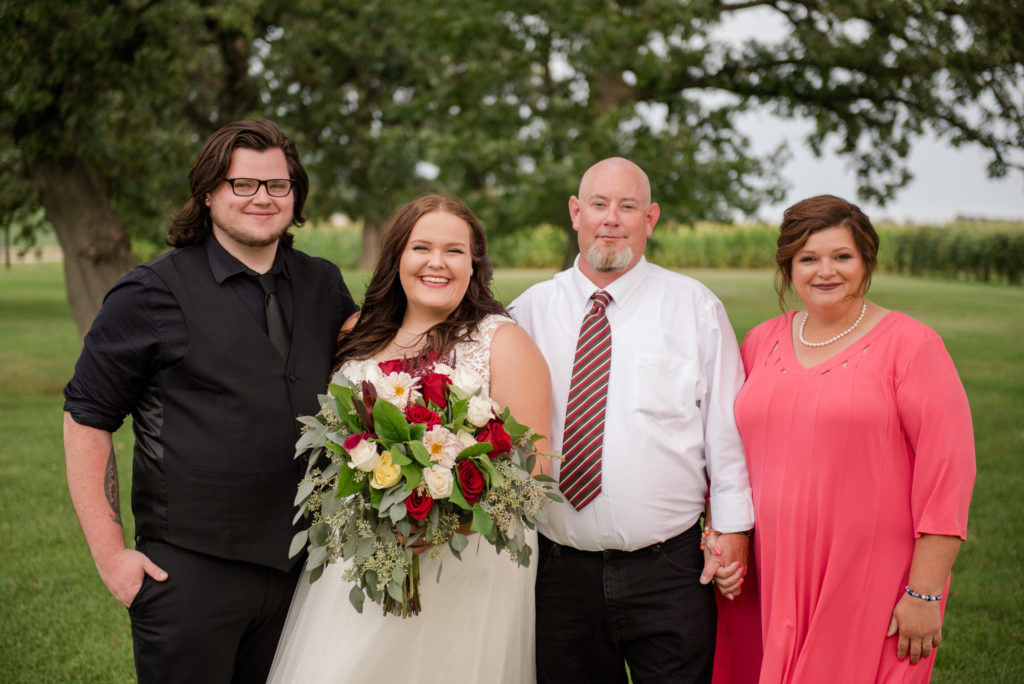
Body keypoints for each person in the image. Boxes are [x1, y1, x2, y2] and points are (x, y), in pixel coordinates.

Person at [63, 119, 359, 682]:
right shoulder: (148, 293)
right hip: (190, 574)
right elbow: (86, 419)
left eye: (277, 185)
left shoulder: (322, 282)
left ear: (295, 196)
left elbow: (378, 357)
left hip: (306, 570)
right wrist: (111, 557)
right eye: (242, 185)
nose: (262, 198)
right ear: (208, 194)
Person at [267, 194, 552, 683]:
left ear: (475, 264)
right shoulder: (355, 333)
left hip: (467, 566)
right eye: (421, 247)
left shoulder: (502, 341)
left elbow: (537, 469)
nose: (436, 262)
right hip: (363, 553)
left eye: (455, 250)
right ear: (397, 255)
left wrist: (444, 522)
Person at [510, 157, 754, 684]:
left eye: (628, 206)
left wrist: (733, 530)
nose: (612, 218)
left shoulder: (694, 308)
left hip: (669, 570)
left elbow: (725, 432)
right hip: (558, 570)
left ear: (651, 218)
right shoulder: (527, 314)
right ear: (576, 213)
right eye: (599, 204)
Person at [729, 195, 975, 683]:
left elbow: (949, 473)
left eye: (842, 256)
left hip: (869, 575)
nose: (826, 271)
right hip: (771, 571)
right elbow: (730, 454)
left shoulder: (912, 345)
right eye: (808, 258)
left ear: (866, 262)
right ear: (788, 267)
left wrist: (924, 592)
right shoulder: (760, 341)